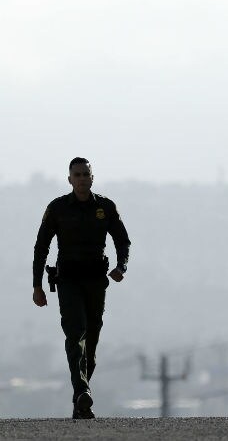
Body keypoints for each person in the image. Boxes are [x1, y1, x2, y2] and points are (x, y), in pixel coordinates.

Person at [32, 157, 131, 419]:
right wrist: (37, 286)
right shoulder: (58, 209)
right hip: (68, 281)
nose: (82, 179)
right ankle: (82, 392)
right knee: (76, 335)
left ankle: (79, 399)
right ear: (69, 179)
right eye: (77, 175)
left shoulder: (106, 207)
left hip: (96, 281)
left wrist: (121, 267)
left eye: (86, 174)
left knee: (92, 343)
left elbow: (123, 241)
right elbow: (41, 247)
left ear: (92, 177)